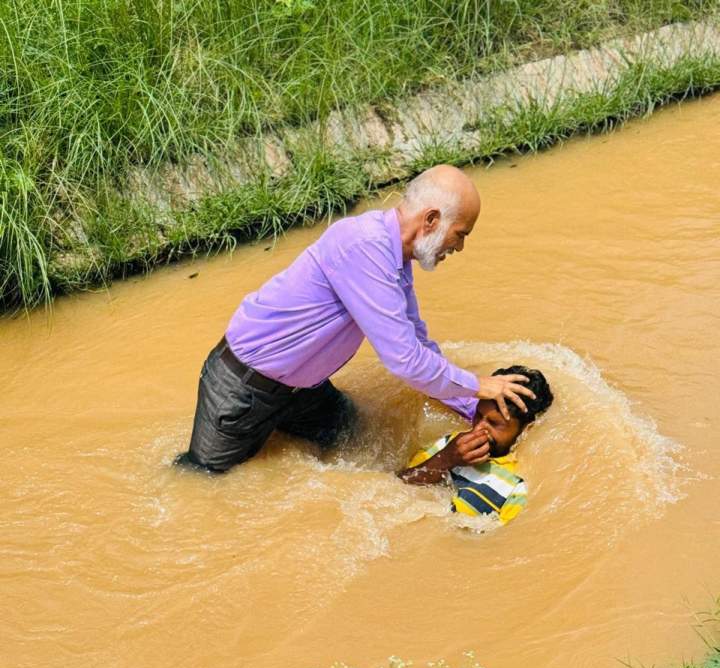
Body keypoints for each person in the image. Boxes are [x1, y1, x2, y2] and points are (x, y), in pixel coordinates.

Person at [176, 164, 535, 473]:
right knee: (203, 482)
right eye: (461, 234)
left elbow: (418, 343)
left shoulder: (396, 260)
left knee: (360, 445)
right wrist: (476, 385)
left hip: (304, 391)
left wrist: (476, 409)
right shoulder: (364, 246)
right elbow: (406, 360)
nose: (458, 247)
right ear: (431, 220)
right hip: (242, 389)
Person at [398, 366, 553, 524]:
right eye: (478, 415)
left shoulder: (518, 485)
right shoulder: (452, 444)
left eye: (494, 423)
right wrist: (446, 459)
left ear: (527, 429)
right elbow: (398, 485)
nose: (478, 428)